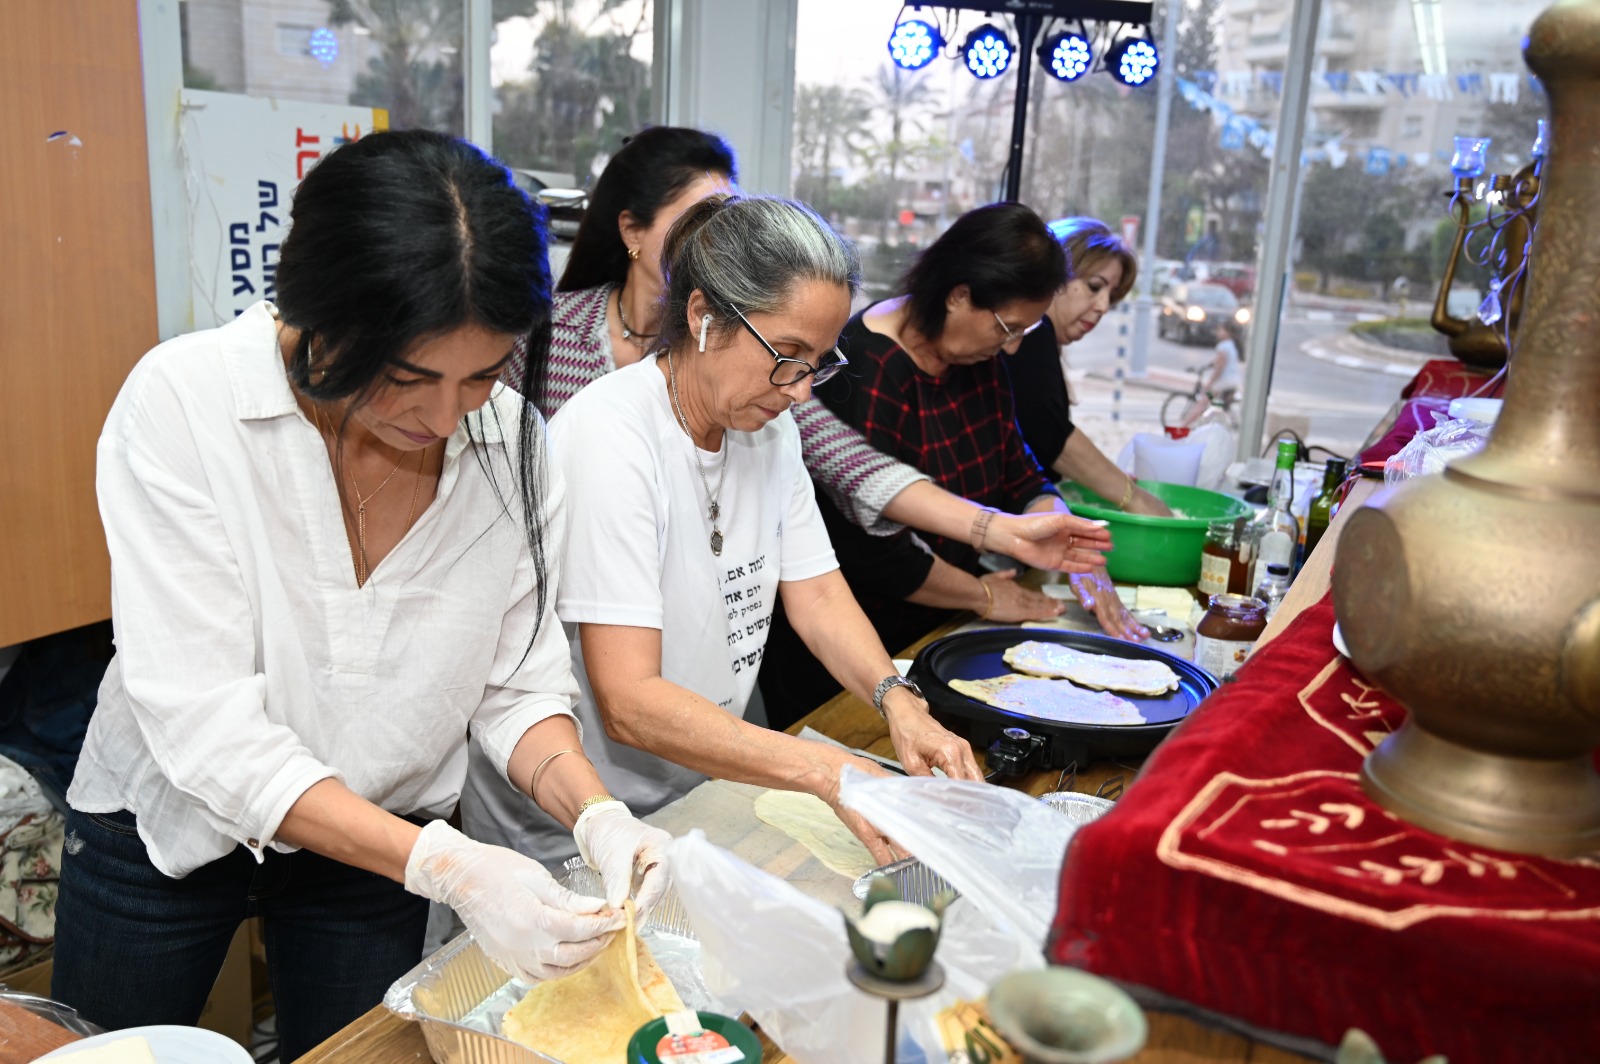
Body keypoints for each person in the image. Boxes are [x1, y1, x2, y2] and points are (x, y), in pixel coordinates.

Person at [50, 131, 671, 1060]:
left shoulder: (513, 441)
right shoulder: (185, 403)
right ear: (315, 313)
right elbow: (204, 724)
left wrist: (595, 813)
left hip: (378, 845)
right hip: (168, 825)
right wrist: (451, 867)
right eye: (408, 377)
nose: (443, 417)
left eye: (482, 374)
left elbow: (515, 687)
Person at [465, 194, 985, 873]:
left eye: (819, 361)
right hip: (570, 825)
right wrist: (828, 771)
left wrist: (896, 700)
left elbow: (820, 598)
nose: (800, 390)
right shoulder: (610, 436)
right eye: (788, 354)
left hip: (694, 792)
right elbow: (628, 701)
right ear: (704, 316)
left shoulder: (769, 431)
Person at [504, 126, 1107, 606]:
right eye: (699, 219)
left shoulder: (754, 359)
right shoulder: (548, 331)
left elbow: (853, 465)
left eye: (732, 217)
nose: (722, 237)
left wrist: (997, 531)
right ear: (632, 230)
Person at [759, 203, 1142, 729]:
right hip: (850, 645)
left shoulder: (977, 357)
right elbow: (880, 551)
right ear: (958, 294)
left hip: (936, 627)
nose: (1010, 346)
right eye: (1006, 327)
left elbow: (1020, 470)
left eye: (1023, 334)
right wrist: (985, 594)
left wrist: (1062, 531)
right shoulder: (863, 369)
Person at [1006, 217, 1174, 517]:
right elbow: (1051, 437)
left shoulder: (1042, 337)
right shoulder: (1033, 332)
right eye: (1094, 287)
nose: (1102, 306)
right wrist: (1133, 498)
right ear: (1054, 275)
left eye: (1111, 296)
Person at [1181, 316, 1245, 427]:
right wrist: (1210, 364)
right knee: (1219, 404)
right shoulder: (1231, 345)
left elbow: (1219, 368)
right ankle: (1221, 417)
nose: (1218, 332)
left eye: (1221, 330)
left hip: (1223, 382)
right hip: (1233, 380)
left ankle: (1183, 426)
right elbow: (1218, 361)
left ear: (1227, 332)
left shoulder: (1223, 346)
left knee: (1203, 401)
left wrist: (1209, 383)